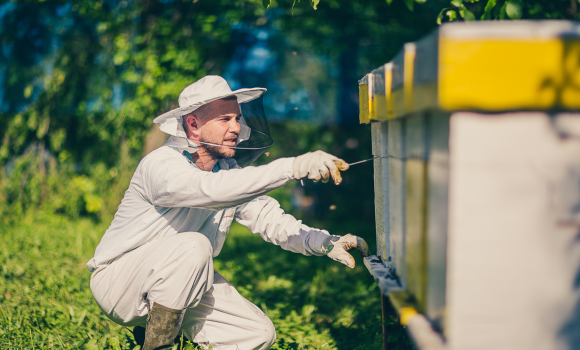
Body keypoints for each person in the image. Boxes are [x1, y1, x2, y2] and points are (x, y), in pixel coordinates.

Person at [87, 75, 369, 350]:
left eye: (237, 118)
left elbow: (271, 220)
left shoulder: (227, 172)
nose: (236, 127)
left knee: (256, 334)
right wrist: (292, 167)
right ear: (193, 125)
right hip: (120, 283)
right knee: (194, 245)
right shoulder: (161, 165)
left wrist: (325, 242)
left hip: (182, 281)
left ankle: (162, 328)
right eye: (225, 119)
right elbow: (211, 191)